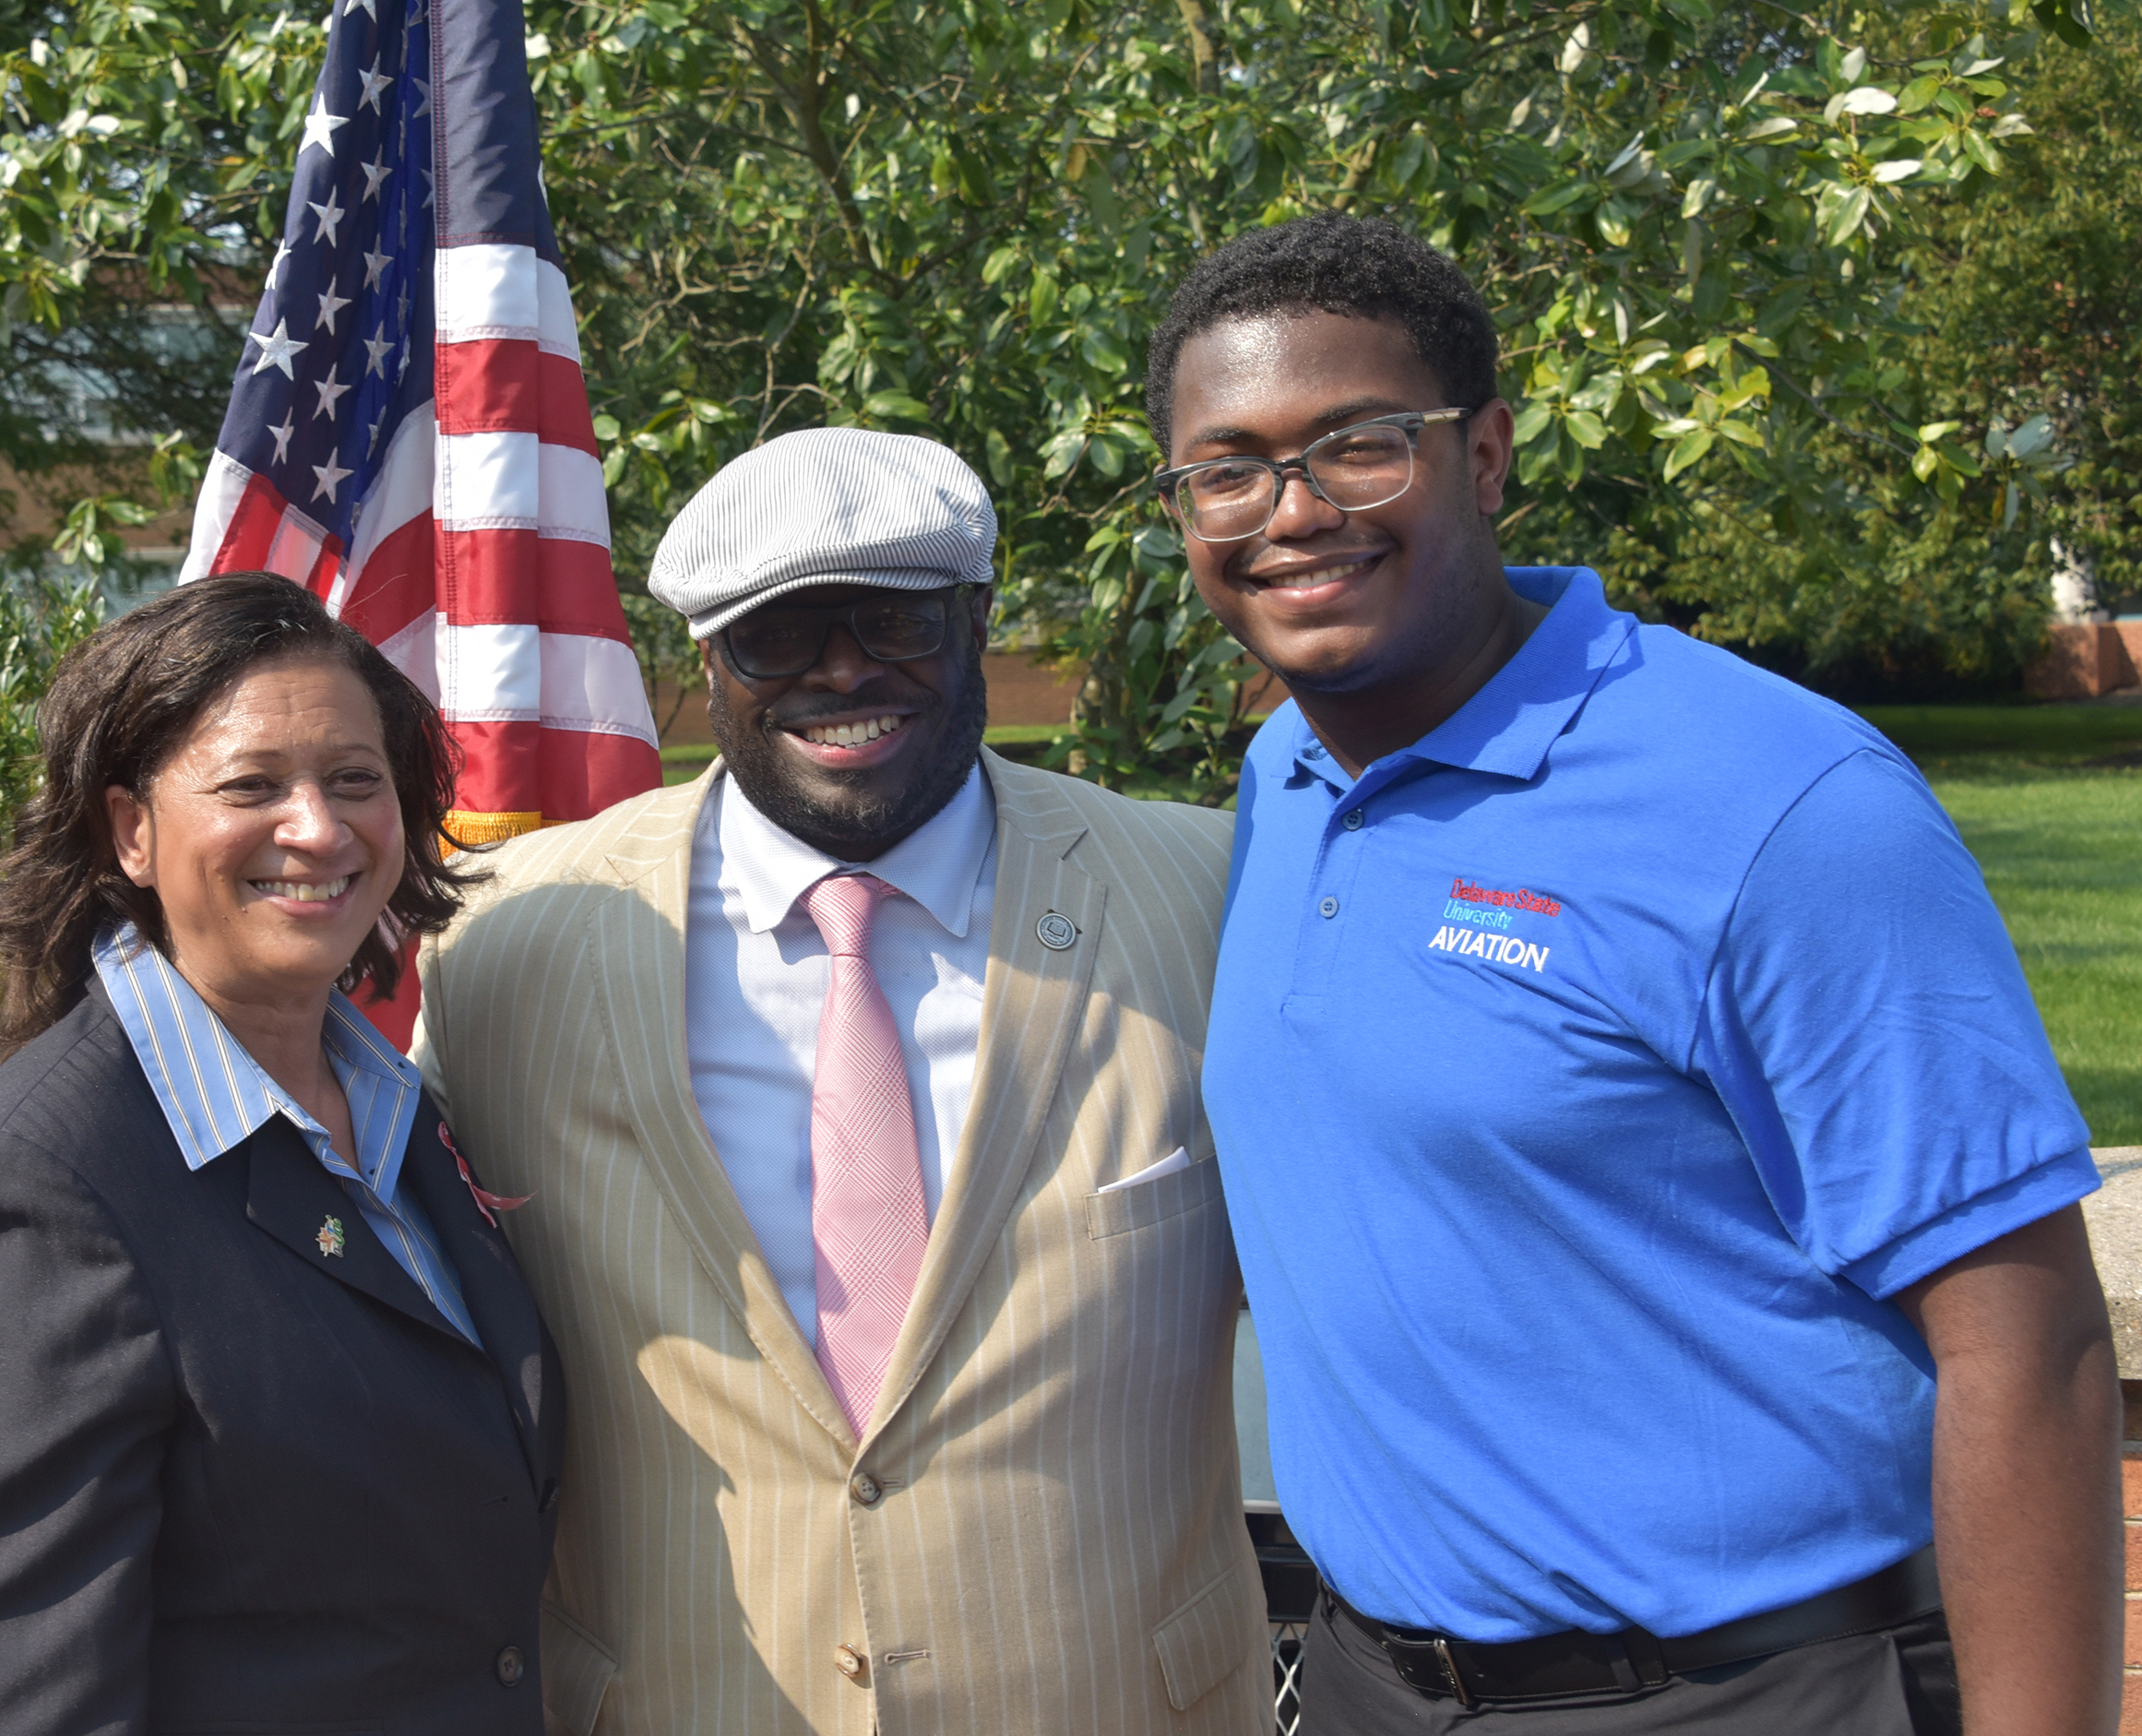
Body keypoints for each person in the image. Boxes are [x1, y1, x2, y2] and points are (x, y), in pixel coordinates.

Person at [1148, 211, 2121, 1734]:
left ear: (1484, 454)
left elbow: (2030, 1342)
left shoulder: (1780, 804)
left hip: (1748, 1690)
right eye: (1231, 466)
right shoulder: (1286, 775)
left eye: (1359, 446)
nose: (1291, 510)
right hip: (1368, 1682)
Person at [412, 427, 1267, 1735]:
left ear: (977, 620)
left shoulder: (1210, 899)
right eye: (779, 639)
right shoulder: (499, 944)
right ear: (707, 659)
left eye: (895, 623)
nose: (844, 671)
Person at [0, 573, 565, 1735]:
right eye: (252, 785)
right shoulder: (34, 1192)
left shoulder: (400, 1108)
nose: (317, 826)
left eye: (356, 780)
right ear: (131, 831)